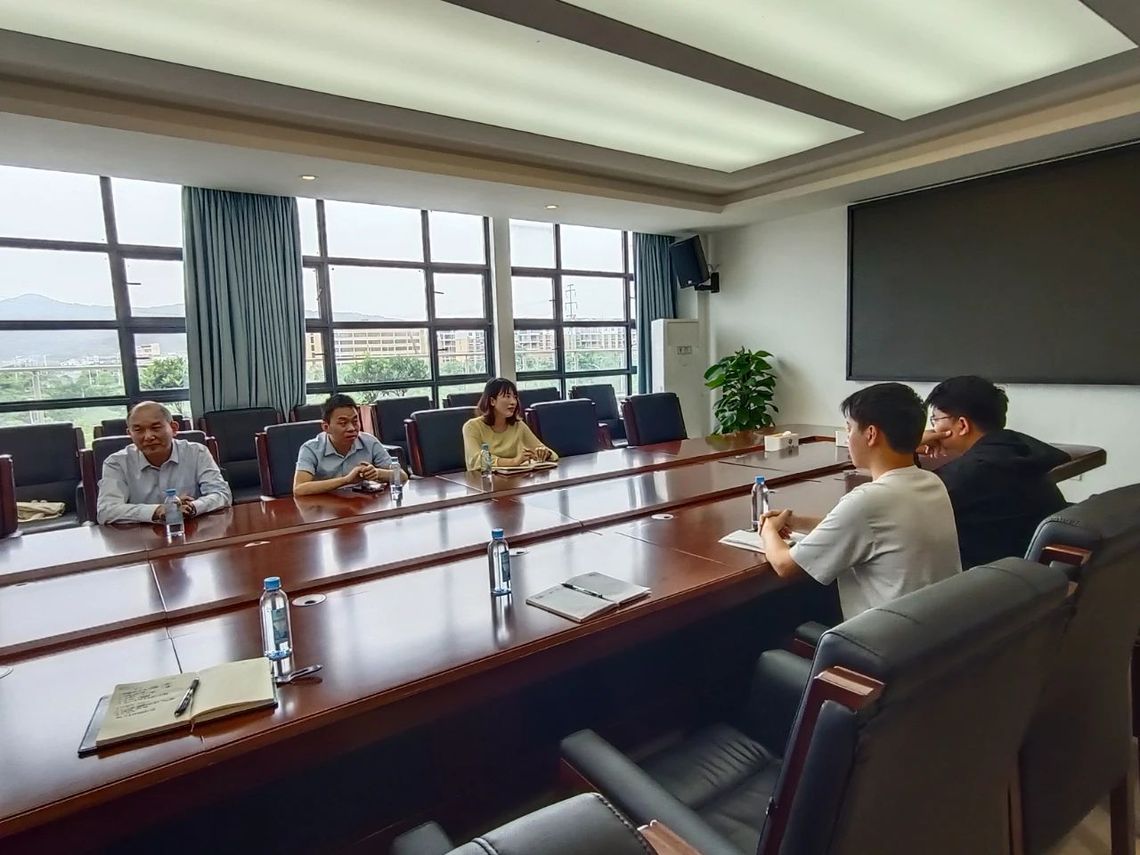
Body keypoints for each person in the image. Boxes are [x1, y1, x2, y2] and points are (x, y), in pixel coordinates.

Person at [759, 383, 961, 619]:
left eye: (849, 429)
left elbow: (785, 566)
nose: (848, 438)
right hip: (932, 627)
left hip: (883, 635)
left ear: (871, 434)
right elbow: (868, 528)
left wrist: (768, 530)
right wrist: (798, 522)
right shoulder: (931, 482)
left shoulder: (867, 501)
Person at [921, 375, 1069, 569]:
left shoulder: (970, 473)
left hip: (989, 579)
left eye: (935, 419)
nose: (933, 428)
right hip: (1033, 575)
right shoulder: (1017, 450)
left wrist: (903, 449)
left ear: (962, 425)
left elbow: (906, 507)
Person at [97, 401, 232, 524]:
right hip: (140, 537)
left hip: (192, 531)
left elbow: (222, 494)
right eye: (138, 430)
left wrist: (192, 507)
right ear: (130, 433)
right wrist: (157, 511)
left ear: (173, 428)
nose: (148, 437)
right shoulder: (116, 463)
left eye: (156, 428)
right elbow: (106, 511)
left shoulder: (197, 452)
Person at [294, 393, 407, 496]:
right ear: (326, 427)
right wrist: (346, 480)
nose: (352, 428)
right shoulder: (310, 449)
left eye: (355, 421)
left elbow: (402, 476)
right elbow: (299, 489)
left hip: (361, 504)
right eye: (343, 423)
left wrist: (377, 473)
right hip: (325, 507)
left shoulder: (370, 442)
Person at [462, 378, 558, 472]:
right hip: (484, 480)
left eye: (515, 397)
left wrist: (545, 453)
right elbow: (476, 460)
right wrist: (513, 462)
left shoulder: (518, 425)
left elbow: (552, 454)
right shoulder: (472, 427)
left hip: (515, 479)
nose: (513, 402)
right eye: (507, 396)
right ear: (492, 401)